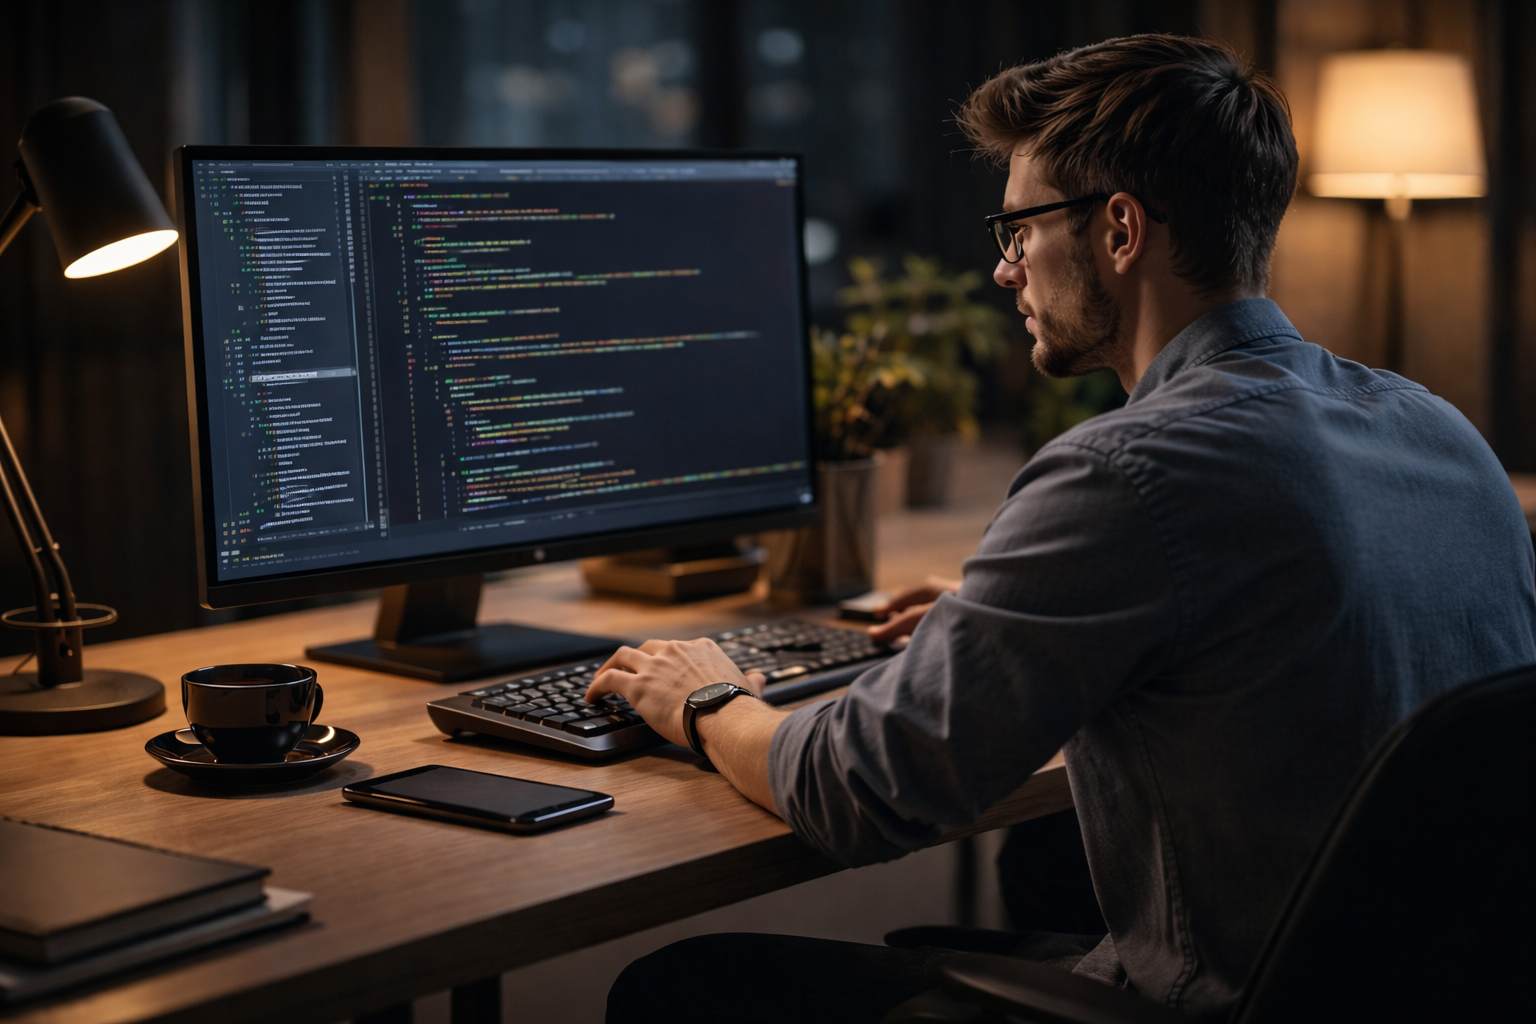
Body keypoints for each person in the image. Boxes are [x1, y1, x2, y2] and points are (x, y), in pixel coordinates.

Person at [590, 33, 1536, 1024]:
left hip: (1222, 1000)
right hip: (1402, 987)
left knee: (676, 987)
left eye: (1018, 230)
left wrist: (708, 699)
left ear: (1120, 231)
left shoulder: (1127, 472)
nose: (1008, 272)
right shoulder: (1441, 431)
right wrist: (1016, 622)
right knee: (1042, 864)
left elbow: (859, 792)